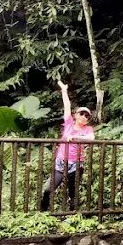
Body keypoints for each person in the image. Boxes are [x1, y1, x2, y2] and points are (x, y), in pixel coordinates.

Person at [42, 79, 96, 212]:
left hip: (76, 163)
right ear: (76, 115)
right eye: (81, 114)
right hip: (61, 161)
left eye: (87, 116)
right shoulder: (68, 124)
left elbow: (91, 139)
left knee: (73, 191)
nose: (83, 117)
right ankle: (42, 211)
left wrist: (75, 138)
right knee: (48, 188)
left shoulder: (88, 129)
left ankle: (72, 213)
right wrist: (64, 90)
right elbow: (67, 105)